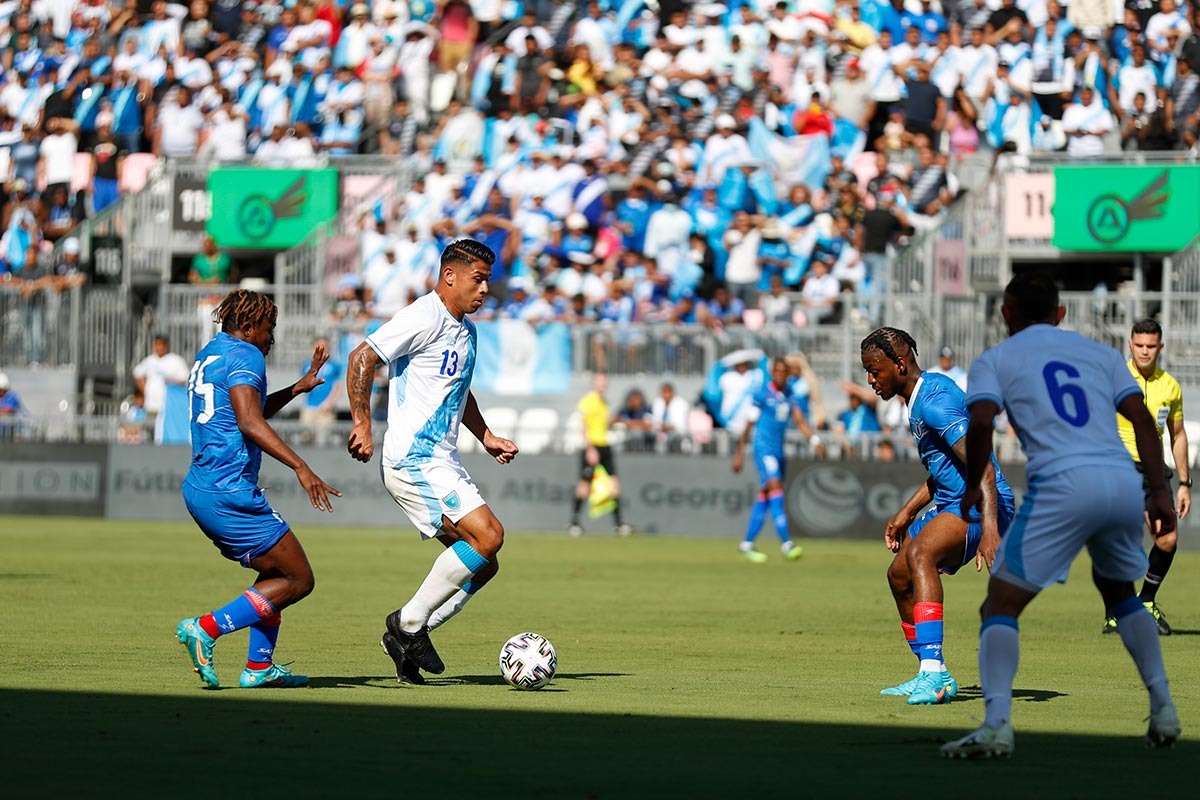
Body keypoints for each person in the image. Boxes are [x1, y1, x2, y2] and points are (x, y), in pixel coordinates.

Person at [942, 272, 1180, 759]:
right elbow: (1140, 420)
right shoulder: (1101, 354)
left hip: (1062, 482)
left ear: (1006, 313)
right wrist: (1159, 489)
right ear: (1061, 313)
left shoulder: (995, 359)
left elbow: (982, 420)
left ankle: (996, 726)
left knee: (999, 606)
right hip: (1119, 480)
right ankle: (1163, 707)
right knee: (1120, 595)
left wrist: (970, 486)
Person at [345, 239, 520, 685]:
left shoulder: (467, 331)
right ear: (450, 276)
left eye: (488, 281)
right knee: (489, 536)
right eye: (478, 279)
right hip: (413, 457)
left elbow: (459, 390)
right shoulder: (424, 316)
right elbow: (362, 357)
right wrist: (363, 424)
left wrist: (486, 436)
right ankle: (406, 624)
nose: (484, 290)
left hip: (441, 459)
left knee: (484, 560)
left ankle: (406, 638)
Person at [176, 289, 342, 690]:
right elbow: (250, 422)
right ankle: (207, 629)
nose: (271, 339)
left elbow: (246, 410)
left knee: (274, 573)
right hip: (229, 491)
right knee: (299, 578)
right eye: (269, 330)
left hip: (205, 487)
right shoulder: (246, 354)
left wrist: (297, 388)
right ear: (249, 327)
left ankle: (259, 667)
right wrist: (301, 466)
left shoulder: (212, 351)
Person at [861, 327, 1015, 706]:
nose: (870, 379)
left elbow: (982, 466)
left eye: (874, 370)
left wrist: (991, 527)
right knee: (898, 576)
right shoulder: (919, 397)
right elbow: (946, 466)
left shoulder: (934, 401)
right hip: (953, 499)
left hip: (982, 503)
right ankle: (930, 671)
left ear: (900, 364)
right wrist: (906, 511)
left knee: (920, 555)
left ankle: (933, 674)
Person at [1102, 319, 1191, 635]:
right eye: (1139, 345)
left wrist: (1184, 483)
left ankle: (1147, 601)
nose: (1144, 351)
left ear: (1160, 347)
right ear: (1129, 345)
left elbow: (1177, 436)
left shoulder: (1170, 386)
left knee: (1167, 539)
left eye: (1150, 346)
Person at [731, 357, 825, 563]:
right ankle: (786, 543)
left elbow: (800, 421)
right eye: (778, 372)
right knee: (776, 490)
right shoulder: (762, 394)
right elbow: (749, 424)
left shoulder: (790, 394)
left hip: (778, 452)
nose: (781, 375)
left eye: (785, 372)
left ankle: (746, 544)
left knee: (765, 496)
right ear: (773, 373)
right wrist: (739, 452)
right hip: (763, 450)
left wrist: (814, 440)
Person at [570, 373, 633, 537]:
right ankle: (574, 522)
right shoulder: (588, 401)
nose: (603, 384)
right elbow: (584, 426)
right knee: (585, 485)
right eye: (600, 381)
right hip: (593, 446)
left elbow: (603, 425)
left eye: (605, 381)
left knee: (615, 485)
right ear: (594, 383)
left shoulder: (605, 403)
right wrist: (590, 448)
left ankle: (619, 524)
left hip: (605, 446)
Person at [133, 335, 191, 419]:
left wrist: (171, 381)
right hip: (151, 404)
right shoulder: (150, 361)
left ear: (166, 346)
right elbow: (137, 374)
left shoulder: (175, 360)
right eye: (156, 345)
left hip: (170, 406)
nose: (158, 348)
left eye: (160, 345)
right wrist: (145, 391)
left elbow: (185, 379)